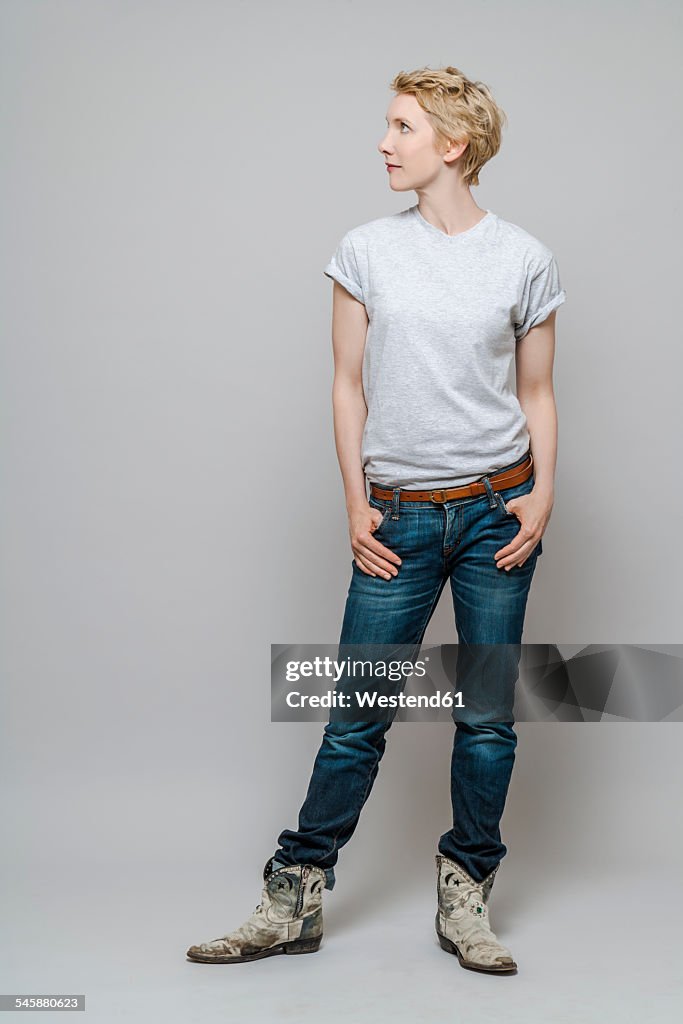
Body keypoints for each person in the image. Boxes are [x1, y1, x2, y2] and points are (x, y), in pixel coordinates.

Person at [186, 64, 566, 973]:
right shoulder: (363, 250)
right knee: (356, 713)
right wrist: (355, 499)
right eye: (387, 127)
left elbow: (539, 392)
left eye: (401, 128)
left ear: (452, 144)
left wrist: (543, 490)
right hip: (394, 517)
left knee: (485, 718)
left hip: (493, 516)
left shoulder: (523, 257)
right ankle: (294, 897)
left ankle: (467, 890)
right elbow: (347, 384)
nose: (384, 143)